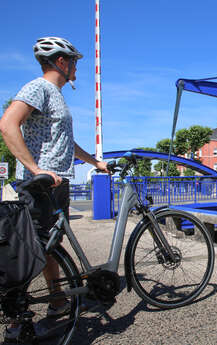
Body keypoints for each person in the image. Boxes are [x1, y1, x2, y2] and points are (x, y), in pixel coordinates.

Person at [0, 36, 109, 340]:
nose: (76, 66)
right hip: (40, 184)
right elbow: (8, 124)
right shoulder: (39, 87)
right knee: (29, 250)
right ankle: (16, 318)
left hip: (57, 182)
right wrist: (36, 170)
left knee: (50, 245)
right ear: (62, 62)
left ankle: (57, 300)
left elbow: (65, 143)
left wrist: (94, 162)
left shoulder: (57, 95)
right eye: (74, 60)